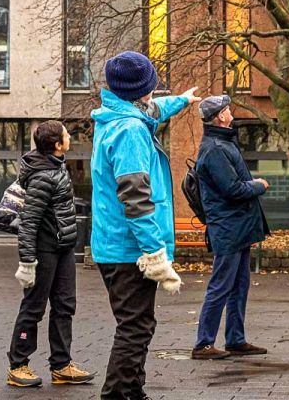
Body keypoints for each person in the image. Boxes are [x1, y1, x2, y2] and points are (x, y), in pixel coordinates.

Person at [90, 51, 201, 400]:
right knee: (135, 328)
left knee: (138, 325)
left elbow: (155, 109)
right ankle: (119, 394)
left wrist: (182, 100)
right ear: (142, 90)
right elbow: (136, 197)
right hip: (130, 250)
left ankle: (132, 392)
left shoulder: (115, 115)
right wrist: (154, 253)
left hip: (114, 246)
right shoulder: (130, 131)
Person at [7, 120, 95, 388]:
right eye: (67, 135)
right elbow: (29, 222)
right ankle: (18, 366)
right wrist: (27, 261)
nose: (70, 137)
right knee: (33, 307)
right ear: (57, 145)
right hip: (44, 252)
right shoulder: (43, 176)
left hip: (63, 248)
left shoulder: (56, 166)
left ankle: (61, 365)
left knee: (65, 306)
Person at [191, 95, 271, 360]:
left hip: (238, 226)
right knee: (221, 285)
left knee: (239, 285)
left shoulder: (224, 143)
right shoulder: (214, 149)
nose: (230, 113)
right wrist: (258, 185)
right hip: (227, 227)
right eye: (226, 110)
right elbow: (232, 189)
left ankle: (235, 339)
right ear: (219, 117)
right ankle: (203, 344)